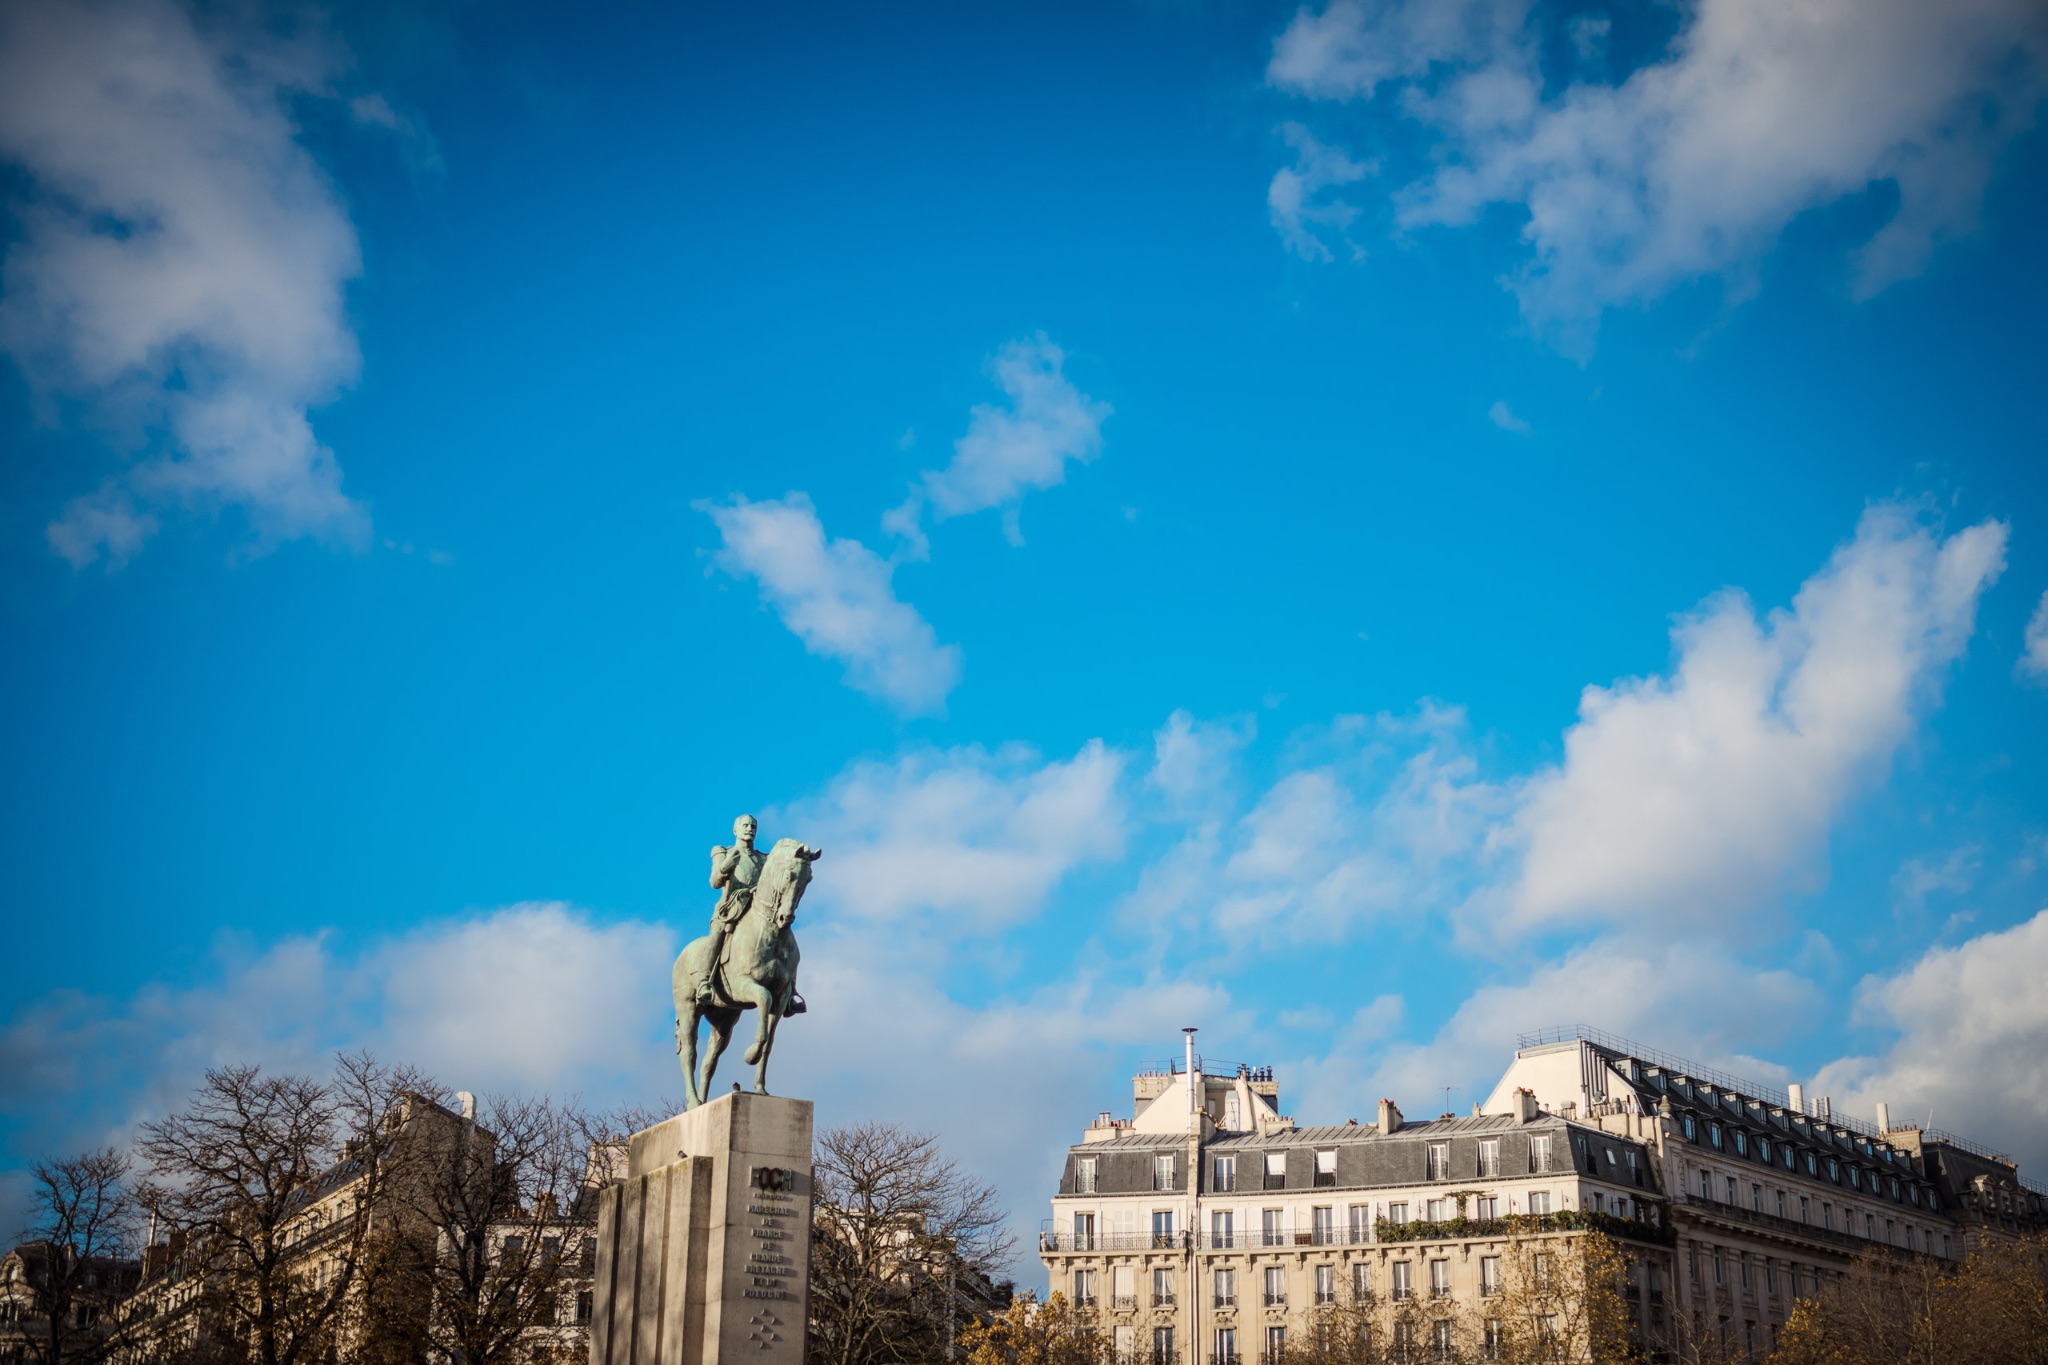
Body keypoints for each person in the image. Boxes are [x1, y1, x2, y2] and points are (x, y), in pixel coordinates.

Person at [694, 813, 766, 1005]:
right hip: (731, 909)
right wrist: (726, 866)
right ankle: (704, 982)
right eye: (746, 825)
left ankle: (790, 989)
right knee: (716, 935)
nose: (750, 829)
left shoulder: (763, 858)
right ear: (736, 829)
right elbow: (714, 882)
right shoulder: (723, 851)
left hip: (757, 909)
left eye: (753, 826)